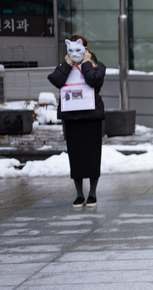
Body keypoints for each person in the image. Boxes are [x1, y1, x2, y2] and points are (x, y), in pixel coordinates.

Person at [47, 35, 106, 208]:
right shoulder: (64, 67)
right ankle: (79, 194)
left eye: (79, 50)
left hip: (91, 117)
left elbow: (94, 80)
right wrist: (67, 64)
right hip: (71, 118)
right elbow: (55, 80)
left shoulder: (97, 65)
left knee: (92, 155)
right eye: (70, 50)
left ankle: (92, 193)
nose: (74, 54)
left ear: (86, 49)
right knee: (75, 155)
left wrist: (86, 63)